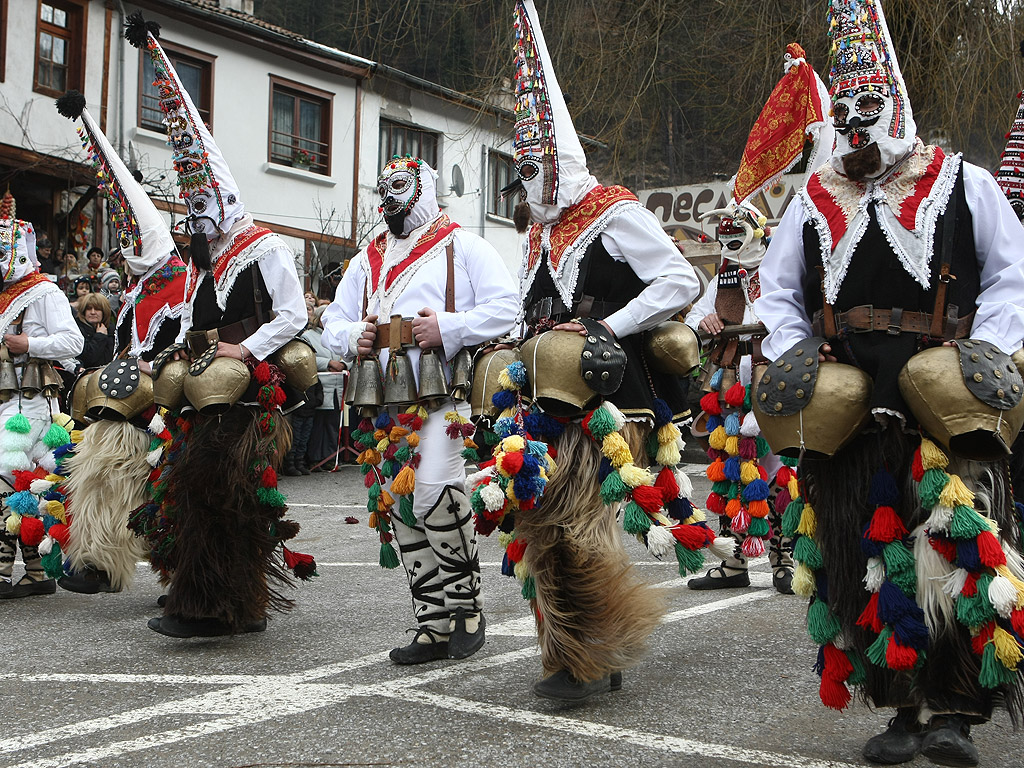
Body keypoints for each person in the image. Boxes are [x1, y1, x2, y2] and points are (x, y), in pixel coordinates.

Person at [755, 2, 1024, 765]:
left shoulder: (960, 182)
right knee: (856, 548)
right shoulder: (812, 200)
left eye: (867, 109)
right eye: (843, 112)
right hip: (850, 394)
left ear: (895, 108)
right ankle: (900, 705)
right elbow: (776, 292)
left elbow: (1013, 274)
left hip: (944, 385)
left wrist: (991, 350)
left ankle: (957, 712)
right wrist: (796, 351)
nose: (852, 124)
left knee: (953, 547)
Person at [486, 0, 703, 703]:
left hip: (611, 397)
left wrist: (611, 323)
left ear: (558, 158)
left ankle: (585, 654)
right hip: (540, 399)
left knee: (580, 524)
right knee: (536, 523)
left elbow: (680, 278)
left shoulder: (613, 211)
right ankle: (571, 650)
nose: (525, 177)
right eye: (519, 165)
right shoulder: (537, 235)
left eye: (533, 162)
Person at [127, 13, 313, 638]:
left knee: (214, 484)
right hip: (201, 394)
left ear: (223, 204)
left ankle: (215, 606)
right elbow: (191, 323)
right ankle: (213, 597)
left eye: (199, 207)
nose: (191, 220)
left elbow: (294, 314)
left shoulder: (265, 249)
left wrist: (246, 347)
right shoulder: (203, 266)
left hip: (249, 394)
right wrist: (171, 356)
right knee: (182, 483)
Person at [323, 154, 519, 664]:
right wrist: (353, 335)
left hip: (439, 395)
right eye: (384, 186)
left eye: (402, 184)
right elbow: (332, 322)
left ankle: (467, 610)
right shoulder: (368, 257)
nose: (391, 195)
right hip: (381, 400)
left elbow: (506, 307)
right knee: (398, 504)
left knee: (434, 490)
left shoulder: (463, 244)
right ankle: (431, 622)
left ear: (424, 188)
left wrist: (449, 327)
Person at [683, 43, 834, 595]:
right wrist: (705, 324)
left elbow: (792, 306)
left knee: (781, 470)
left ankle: (783, 556)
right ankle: (733, 561)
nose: (733, 237)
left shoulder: (783, 262)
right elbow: (703, 307)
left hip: (774, 375)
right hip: (730, 384)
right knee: (729, 469)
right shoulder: (726, 270)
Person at [54, 90, 189, 595]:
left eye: (134, 236)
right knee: (97, 470)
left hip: (174, 402)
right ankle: (96, 561)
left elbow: (194, 338)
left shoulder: (181, 282)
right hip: (131, 404)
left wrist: (163, 364)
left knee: (145, 480)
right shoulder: (136, 289)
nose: (127, 245)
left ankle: (178, 575)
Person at [0, 191, 84, 598]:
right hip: (4, 401)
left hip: (29, 404)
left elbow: (74, 342)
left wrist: (29, 345)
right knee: (20, 485)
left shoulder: (44, 292)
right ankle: (35, 573)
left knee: (9, 481)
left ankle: (7, 571)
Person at [305, 305, 346, 470]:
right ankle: (314, 458)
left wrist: (342, 364)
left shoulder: (336, 336)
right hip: (320, 388)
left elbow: (347, 353)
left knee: (333, 424)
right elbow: (308, 357)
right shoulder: (308, 336)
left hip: (338, 388)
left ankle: (330, 457)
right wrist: (329, 363)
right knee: (318, 425)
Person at [74, 292, 114, 370]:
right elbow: (88, 359)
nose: (92, 312)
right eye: (89, 309)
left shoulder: (111, 329)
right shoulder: (77, 329)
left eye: (97, 309)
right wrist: (100, 336)